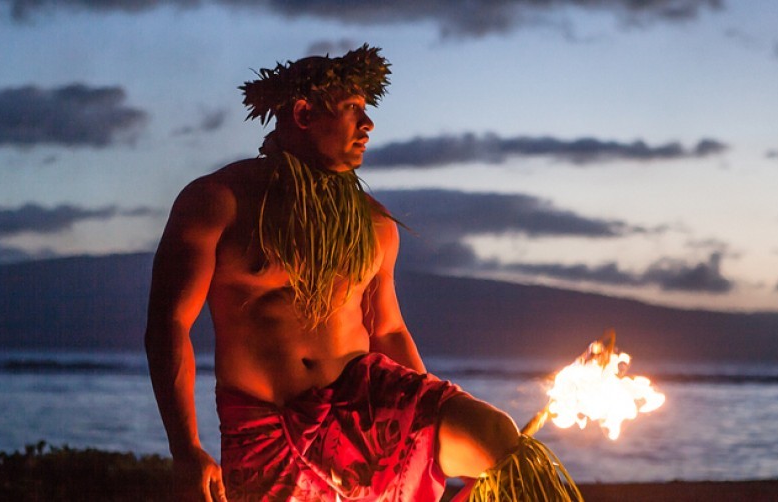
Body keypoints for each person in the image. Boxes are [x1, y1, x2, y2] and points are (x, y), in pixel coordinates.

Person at [146, 45, 577, 501]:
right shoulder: (219, 201)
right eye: (353, 108)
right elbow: (169, 324)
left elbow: (387, 330)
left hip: (366, 406)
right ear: (304, 113)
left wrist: (422, 421)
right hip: (268, 421)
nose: (368, 124)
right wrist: (185, 447)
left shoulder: (373, 222)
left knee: (496, 439)